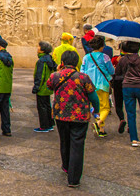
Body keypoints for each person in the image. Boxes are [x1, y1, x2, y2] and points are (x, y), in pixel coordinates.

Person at [47, 50, 100, 188]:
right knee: (77, 144)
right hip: (80, 116)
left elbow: (49, 86)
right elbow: (94, 97)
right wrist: (97, 110)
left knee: (64, 140)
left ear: (62, 62)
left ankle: (66, 166)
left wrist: (58, 70)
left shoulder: (55, 76)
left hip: (61, 115)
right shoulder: (83, 77)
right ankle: (74, 178)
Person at [114, 41, 140, 147]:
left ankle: (134, 139)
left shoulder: (123, 60)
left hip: (127, 87)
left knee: (130, 114)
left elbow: (117, 73)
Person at [81, 35, 115, 137]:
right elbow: (111, 71)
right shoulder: (105, 57)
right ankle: (98, 123)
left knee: (97, 107)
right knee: (105, 108)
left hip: (90, 85)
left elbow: (82, 71)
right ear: (102, 46)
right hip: (102, 84)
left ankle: (101, 129)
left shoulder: (86, 57)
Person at [32, 41, 57, 132]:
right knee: (47, 106)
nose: (37, 48)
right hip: (48, 87)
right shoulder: (49, 59)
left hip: (42, 87)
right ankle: (50, 124)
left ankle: (44, 126)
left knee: (41, 107)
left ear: (42, 50)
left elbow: (40, 75)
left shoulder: (42, 61)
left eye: (39, 47)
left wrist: (36, 87)